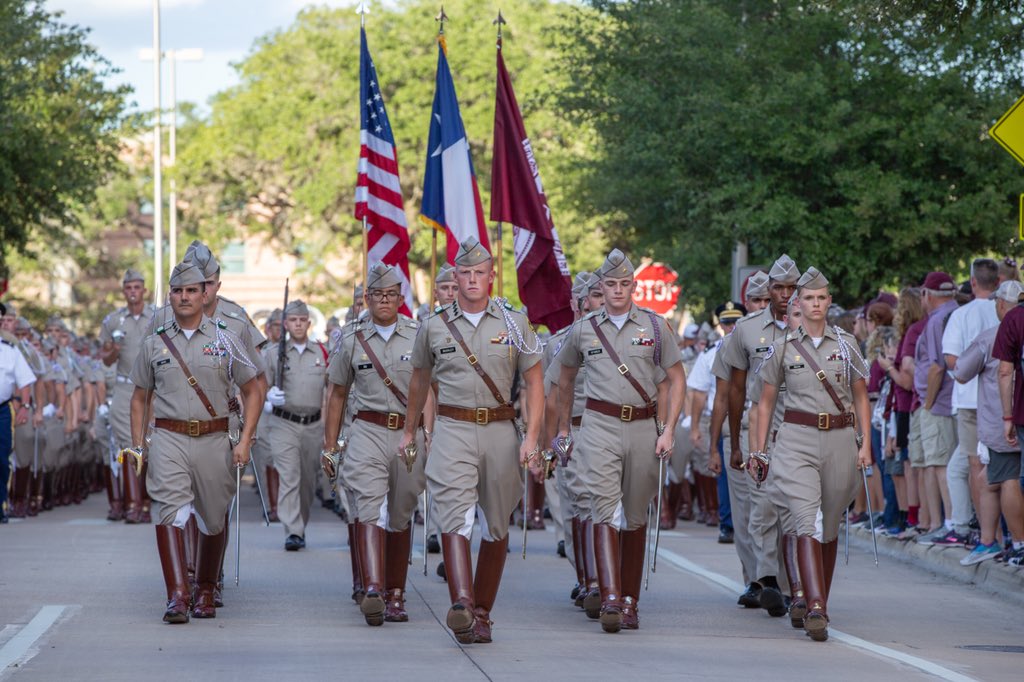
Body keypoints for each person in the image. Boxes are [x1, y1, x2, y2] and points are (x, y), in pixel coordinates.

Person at [398, 237, 545, 645]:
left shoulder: (516, 322)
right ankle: (462, 603)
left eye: (480, 272)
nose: (473, 279)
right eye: (465, 272)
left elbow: (535, 381)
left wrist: (532, 437)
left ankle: (482, 613)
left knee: (496, 524)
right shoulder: (434, 325)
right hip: (453, 427)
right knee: (453, 513)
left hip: (500, 429)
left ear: (492, 276)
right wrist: (411, 430)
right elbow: (419, 381)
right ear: (455, 277)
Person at [554, 248, 685, 633]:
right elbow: (564, 381)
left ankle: (630, 600)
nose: (616, 291)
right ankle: (610, 596)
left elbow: (675, 378)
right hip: (598, 425)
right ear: (601, 287)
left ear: (633, 286)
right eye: (609, 284)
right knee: (602, 507)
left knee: (634, 514)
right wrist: (564, 430)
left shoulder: (656, 327)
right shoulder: (583, 329)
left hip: (644, 427)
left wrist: (669, 428)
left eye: (623, 284)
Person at [127, 260, 262, 623]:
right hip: (169, 437)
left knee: (212, 518)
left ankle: (205, 588)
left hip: (214, 438)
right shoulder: (154, 342)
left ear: (206, 295)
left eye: (191, 290)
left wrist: (245, 439)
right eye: (177, 291)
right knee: (169, 512)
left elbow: (253, 390)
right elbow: (140, 397)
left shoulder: (225, 338)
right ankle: (177, 596)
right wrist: (139, 444)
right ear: (169, 296)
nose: (183, 297)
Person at [752, 267, 872, 643]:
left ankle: (818, 594)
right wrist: (760, 450)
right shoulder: (784, 347)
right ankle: (815, 605)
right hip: (797, 438)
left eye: (821, 298)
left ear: (829, 302)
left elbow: (861, 396)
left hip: (839, 437)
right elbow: (765, 402)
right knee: (806, 519)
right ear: (797, 304)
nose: (815, 304)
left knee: (830, 522)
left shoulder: (847, 343)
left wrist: (864, 443)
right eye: (808, 298)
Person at [324, 263, 430, 625]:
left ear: (401, 299)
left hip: (407, 433)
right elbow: (337, 393)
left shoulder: (419, 334)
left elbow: (430, 389)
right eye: (377, 295)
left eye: (390, 295)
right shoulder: (351, 338)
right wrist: (330, 445)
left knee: (400, 513)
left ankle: (396, 593)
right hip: (366, 430)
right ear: (366, 298)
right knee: (369, 507)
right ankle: (373, 588)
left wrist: (427, 432)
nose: (384, 301)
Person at [720, 255, 801, 621]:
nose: (785, 295)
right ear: (768, 291)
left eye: (791, 288)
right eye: (778, 288)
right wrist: (736, 443)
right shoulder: (748, 330)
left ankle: (794, 585)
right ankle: (767, 581)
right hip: (760, 431)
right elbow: (734, 391)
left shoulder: (813, 327)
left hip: (802, 430)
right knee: (762, 507)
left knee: (796, 513)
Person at [543, 271, 604, 616]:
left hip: (612, 429)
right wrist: (549, 444)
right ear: (574, 303)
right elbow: (550, 399)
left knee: (605, 506)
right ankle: (588, 578)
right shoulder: (560, 342)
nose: (594, 303)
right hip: (575, 431)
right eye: (588, 297)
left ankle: (604, 579)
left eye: (597, 295)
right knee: (577, 505)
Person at [954, 280, 1024, 565]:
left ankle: (1014, 542)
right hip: (1013, 417)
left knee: (1005, 478)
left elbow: (961, 371)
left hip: (1004, 419)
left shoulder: (993, 335)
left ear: (1002, 305)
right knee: (993, 479)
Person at [942, 259, 999, 549]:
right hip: (1002, 400)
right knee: (1001, 467)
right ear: (998, 282)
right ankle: (999, 533)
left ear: (973, 282)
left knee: (976, 466)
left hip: (969, 401)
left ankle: (984, 533)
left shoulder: (961, 315)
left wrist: (973, 364)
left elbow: (952, 359)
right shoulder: (1007, 312)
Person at [263, 300, 328, 551]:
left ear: (309, 323)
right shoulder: (272, 354)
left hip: (312, 425)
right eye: (293, 320)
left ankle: (299, 524)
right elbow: (260, 387)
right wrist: (269, 397)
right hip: (284, 423)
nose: (298, 324)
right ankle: (293, 530)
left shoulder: (322, 352)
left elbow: (332, 390)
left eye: (302, 320)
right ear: (286, 324)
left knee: (307, 482)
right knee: (289, 476)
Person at [100, 269, 155, 522]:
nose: (133, 291)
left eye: (137, 287)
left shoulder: (157, 316)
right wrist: (114, 349)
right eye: (128, 287)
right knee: (128, 445)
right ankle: (132, 503)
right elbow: (107, 360)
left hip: (155, 388)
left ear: (144, 290)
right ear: (123, 292)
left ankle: (145, 502)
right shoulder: (113, 321)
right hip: (125, 388)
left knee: (152, 443)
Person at [914, 272, 961, 546]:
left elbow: (936, 367)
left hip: (940, 404)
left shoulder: (936, 320)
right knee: (939, 464)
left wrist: (929, 404)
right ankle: (945, 523)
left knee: (941, 464)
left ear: (928, 294)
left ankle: (950, 524)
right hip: (952, 402)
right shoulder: (957, 313)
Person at [1, 301, 38, 523]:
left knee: (2, 459)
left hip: (3, 409)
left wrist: (24, 406)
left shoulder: (10, 349)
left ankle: (1, 504)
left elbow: (25, 381)